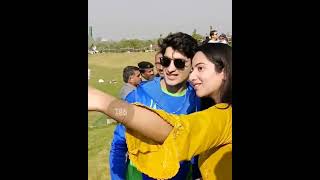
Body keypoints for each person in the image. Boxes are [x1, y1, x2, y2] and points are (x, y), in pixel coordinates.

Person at [88, 43, 232, 180]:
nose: (192, 76)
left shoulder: (225, 115)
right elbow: (119, 143)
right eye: (193, 69)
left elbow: (175, 132)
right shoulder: (139, 95)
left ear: (225, 71)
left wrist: (101, 101)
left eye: (200, 68)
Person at [110, 32, 201, 180]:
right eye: (166, 61)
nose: (170, 69)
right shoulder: (139, 96)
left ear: (192, 65)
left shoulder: (197, 97)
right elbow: (119, 144)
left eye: (179, 63)